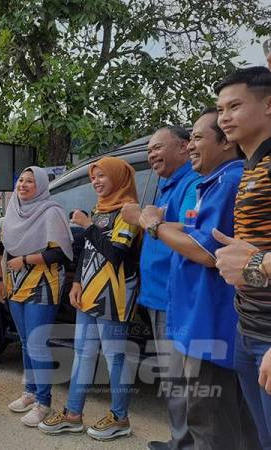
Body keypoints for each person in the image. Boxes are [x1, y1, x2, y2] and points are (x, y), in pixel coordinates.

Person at [139, 108, 260, 450]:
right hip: (203, 319)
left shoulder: (227, 181)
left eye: (197, 138)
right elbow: (198, 230)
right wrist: (160, 223)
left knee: (210, 420)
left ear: (225, 142)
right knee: (230, 420)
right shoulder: (216, 182)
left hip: (210, 323)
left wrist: (153, 224)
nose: (192, 145)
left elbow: (205, 249)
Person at [39, 156, 140, 441]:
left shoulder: (129, 212)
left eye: (102, 176)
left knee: (115, 358)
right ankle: (73, 415)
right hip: (90, 294)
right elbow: (87, 251)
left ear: (118, 178)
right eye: (94, 177)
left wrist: (88, 226)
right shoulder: (100, 209)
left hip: (115, 296)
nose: (96, 181)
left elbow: (116, 254)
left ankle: (121, 418)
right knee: (83, 354)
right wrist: (78, 282)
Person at [120, 126, 200, 450]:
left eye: (158, 147)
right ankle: (180, 439)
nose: (152, 154)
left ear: (184, 147)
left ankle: (187, 443)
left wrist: (142, 217)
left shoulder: (192, 183)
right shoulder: (167, 186)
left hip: (174, 297)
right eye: (149, 149)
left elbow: (194, 232)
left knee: (180, 379)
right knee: (172, 378)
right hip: (157, 295)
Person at [213, 66, 271, 449]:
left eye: (235, 106)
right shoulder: (251, 168)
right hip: (247, 325)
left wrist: (251, 264)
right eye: (220, 109)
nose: (224, 117)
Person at [0, 166, 74, 427]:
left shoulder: (51, 211)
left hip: (42, 282)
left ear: (40, 185)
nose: (24, 185)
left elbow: (59, 253)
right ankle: (30, 391)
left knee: (38, 343)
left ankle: (44, 402)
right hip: (14, 282)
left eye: (30, 181)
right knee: (27, 342)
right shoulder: (13, 209)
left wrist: (25, 260)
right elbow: (2, 248)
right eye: (21, 180)